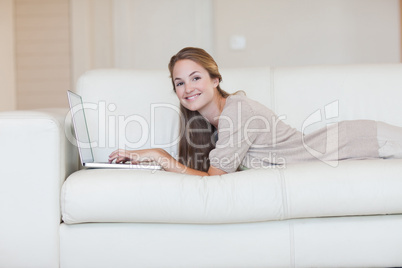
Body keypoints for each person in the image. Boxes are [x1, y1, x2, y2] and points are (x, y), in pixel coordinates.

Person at [108, 47, 402, 175]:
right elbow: (198, 175)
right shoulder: (207, 125)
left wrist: (159, 156)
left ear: (215, 79)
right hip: (352, 145)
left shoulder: (237, 112)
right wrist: (148, 161)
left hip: (362, 140)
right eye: (179, 83)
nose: (188, 89)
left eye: (196, 78)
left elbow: (213, 179)